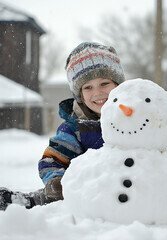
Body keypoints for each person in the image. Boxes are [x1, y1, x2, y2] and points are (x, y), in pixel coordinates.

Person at [0, 42, 126, 210]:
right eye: (87, 87)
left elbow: (161, 147)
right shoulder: (75, 129)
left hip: (134, 188)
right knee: (51, 199)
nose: (97, 93)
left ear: (119, 85)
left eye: (104, 84)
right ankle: (24, 203)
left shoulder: (140, 120)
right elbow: (52, 159)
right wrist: (56, 181)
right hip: (88, 192)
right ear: (79, 95)